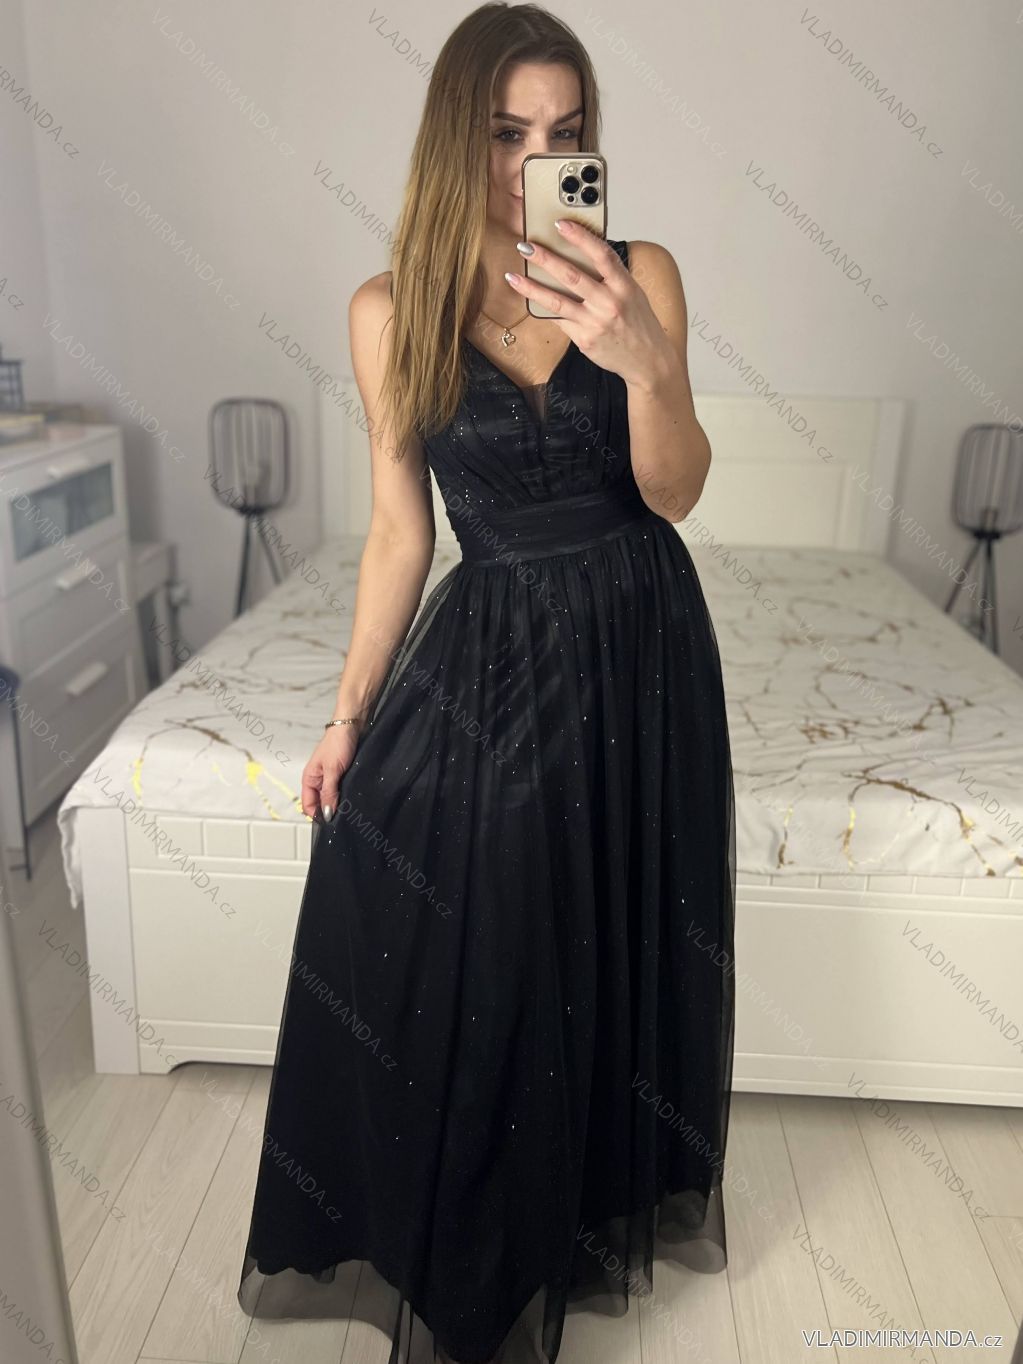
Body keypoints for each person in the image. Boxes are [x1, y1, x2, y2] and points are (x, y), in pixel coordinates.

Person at [236, 5, 735, 1362]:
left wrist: (644, 359)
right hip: (497, 635)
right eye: (509, 133)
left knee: (611, 920)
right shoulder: (389, 310)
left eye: (564, 133)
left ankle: (578, 1207)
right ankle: (467, 1246)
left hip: (640, 635)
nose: (534, 160)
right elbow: (401, 531)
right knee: (451, 897)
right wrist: (346, 716)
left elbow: (675, 492)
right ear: (459, 138)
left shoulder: (641, 275)